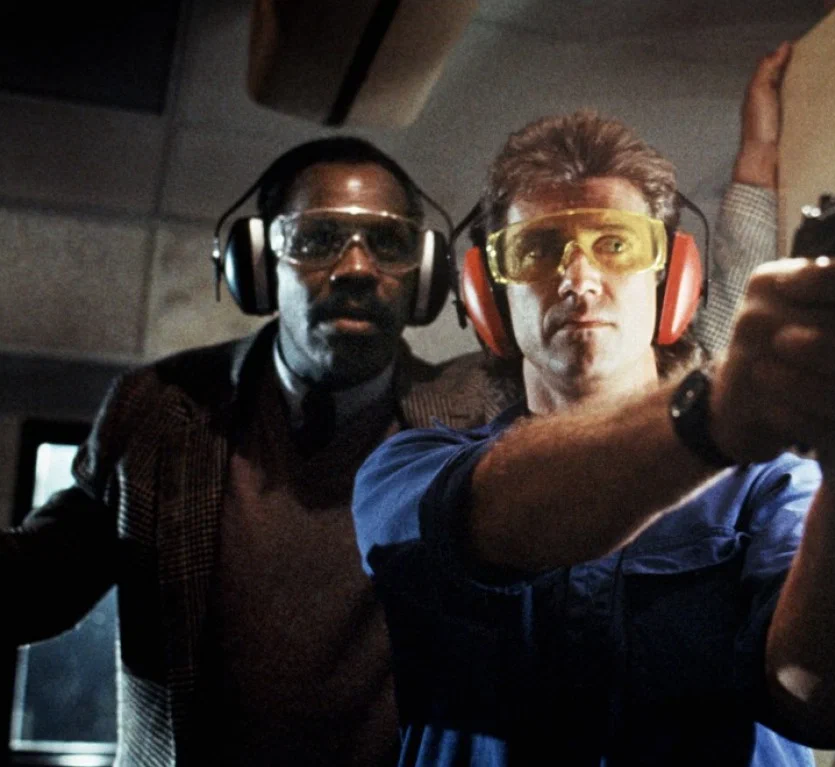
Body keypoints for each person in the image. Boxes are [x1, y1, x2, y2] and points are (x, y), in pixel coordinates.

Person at [351, 44, 835, 766]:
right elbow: (482, 520)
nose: (579, 279)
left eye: (615, 244)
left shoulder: (771, 482)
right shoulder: (404, 470)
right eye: (538, 249)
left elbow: (821, 694)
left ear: (672, 281)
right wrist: (714, 414)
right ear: (487, 294)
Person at [0, 137, 506, 766]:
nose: (356, 267)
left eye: (389, 242)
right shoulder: (157, 407)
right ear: (259, 264)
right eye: (318, 239)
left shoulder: (479, 417)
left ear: (425, 277)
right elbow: (32, 586)